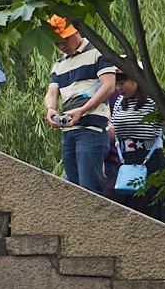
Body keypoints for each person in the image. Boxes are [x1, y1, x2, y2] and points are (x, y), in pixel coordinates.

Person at [43, 15, 117, 194]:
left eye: (64, 40)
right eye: (57, 43)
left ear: (74, 31)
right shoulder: (59, 63)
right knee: (73, 191)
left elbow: (108, 86)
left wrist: (83, 110)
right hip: (68, 129)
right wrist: (51, 109)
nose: (62, 46)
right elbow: (52, 92)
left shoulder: (97, 52)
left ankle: (95, 222)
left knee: (89, 190)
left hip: (91, 128)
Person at [106, 72, 165, 223]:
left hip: (150, 159)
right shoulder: (119, 103)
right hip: (126, 161)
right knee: (110, 196)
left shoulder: (154, 99)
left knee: (147, 208)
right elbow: (113, 131)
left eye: (122, 83)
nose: (119, 88)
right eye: (117, 84)